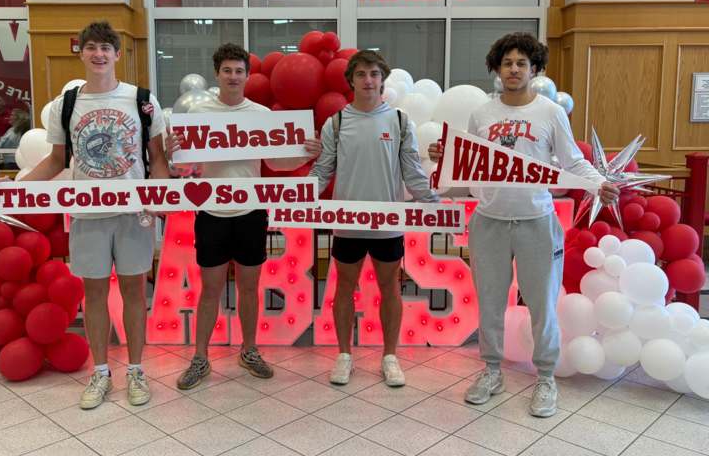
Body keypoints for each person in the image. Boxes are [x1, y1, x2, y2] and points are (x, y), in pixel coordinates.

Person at [429, 32, 619, 417]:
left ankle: (545, 376)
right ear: (497, 70)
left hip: (536, 222)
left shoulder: (550, 112)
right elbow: (469, 162)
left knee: (543, 303)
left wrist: (599, 182)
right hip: (489, 222)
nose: (513, 69)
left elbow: (571, 161)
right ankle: (492, 370)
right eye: (507, 63)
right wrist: (444, 156)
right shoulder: (483, 112)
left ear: (534, 70)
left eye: (521, 63)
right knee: (492, 302)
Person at [0, 21, 170, 410]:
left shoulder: (142, 100)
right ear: (81, 53)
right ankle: (101, 372)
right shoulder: (67, 105)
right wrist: (15, 186)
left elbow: (157, 158)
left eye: (106, 48)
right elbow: (56, 160)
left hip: (133, 213)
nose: (99, 54)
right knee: (93, 294)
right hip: (88, 214)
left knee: (134, 292)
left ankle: (137, 370)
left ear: (118, 55)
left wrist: (161, 197)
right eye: (91, 47)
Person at [166, 43, 320, 390]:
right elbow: (184, 166)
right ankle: (200, 358)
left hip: (251, 211)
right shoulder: (200, 113)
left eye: (239, 71)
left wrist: (303, 154)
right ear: (217, 74)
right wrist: (172, 155)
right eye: (227, 71)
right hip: (211, 211)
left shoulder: (261, 115)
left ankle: (249, 351)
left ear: (247, 76)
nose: (233, 77)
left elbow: (276, 163)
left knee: (250, 288)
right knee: (210, 289)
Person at [308, 50, 438, 388]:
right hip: (348, 224)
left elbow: (412, 171)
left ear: (383, 79)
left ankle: (390, 356)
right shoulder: (336, 122)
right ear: (351, 80)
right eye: (362, 74)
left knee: (390, 288)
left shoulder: (399, 121)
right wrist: (298, 196)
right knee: (344, 288)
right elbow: (322, 171)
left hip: (387, 225)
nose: (368, 80)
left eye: (374, 74)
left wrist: (434, 202)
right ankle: (344, 355)